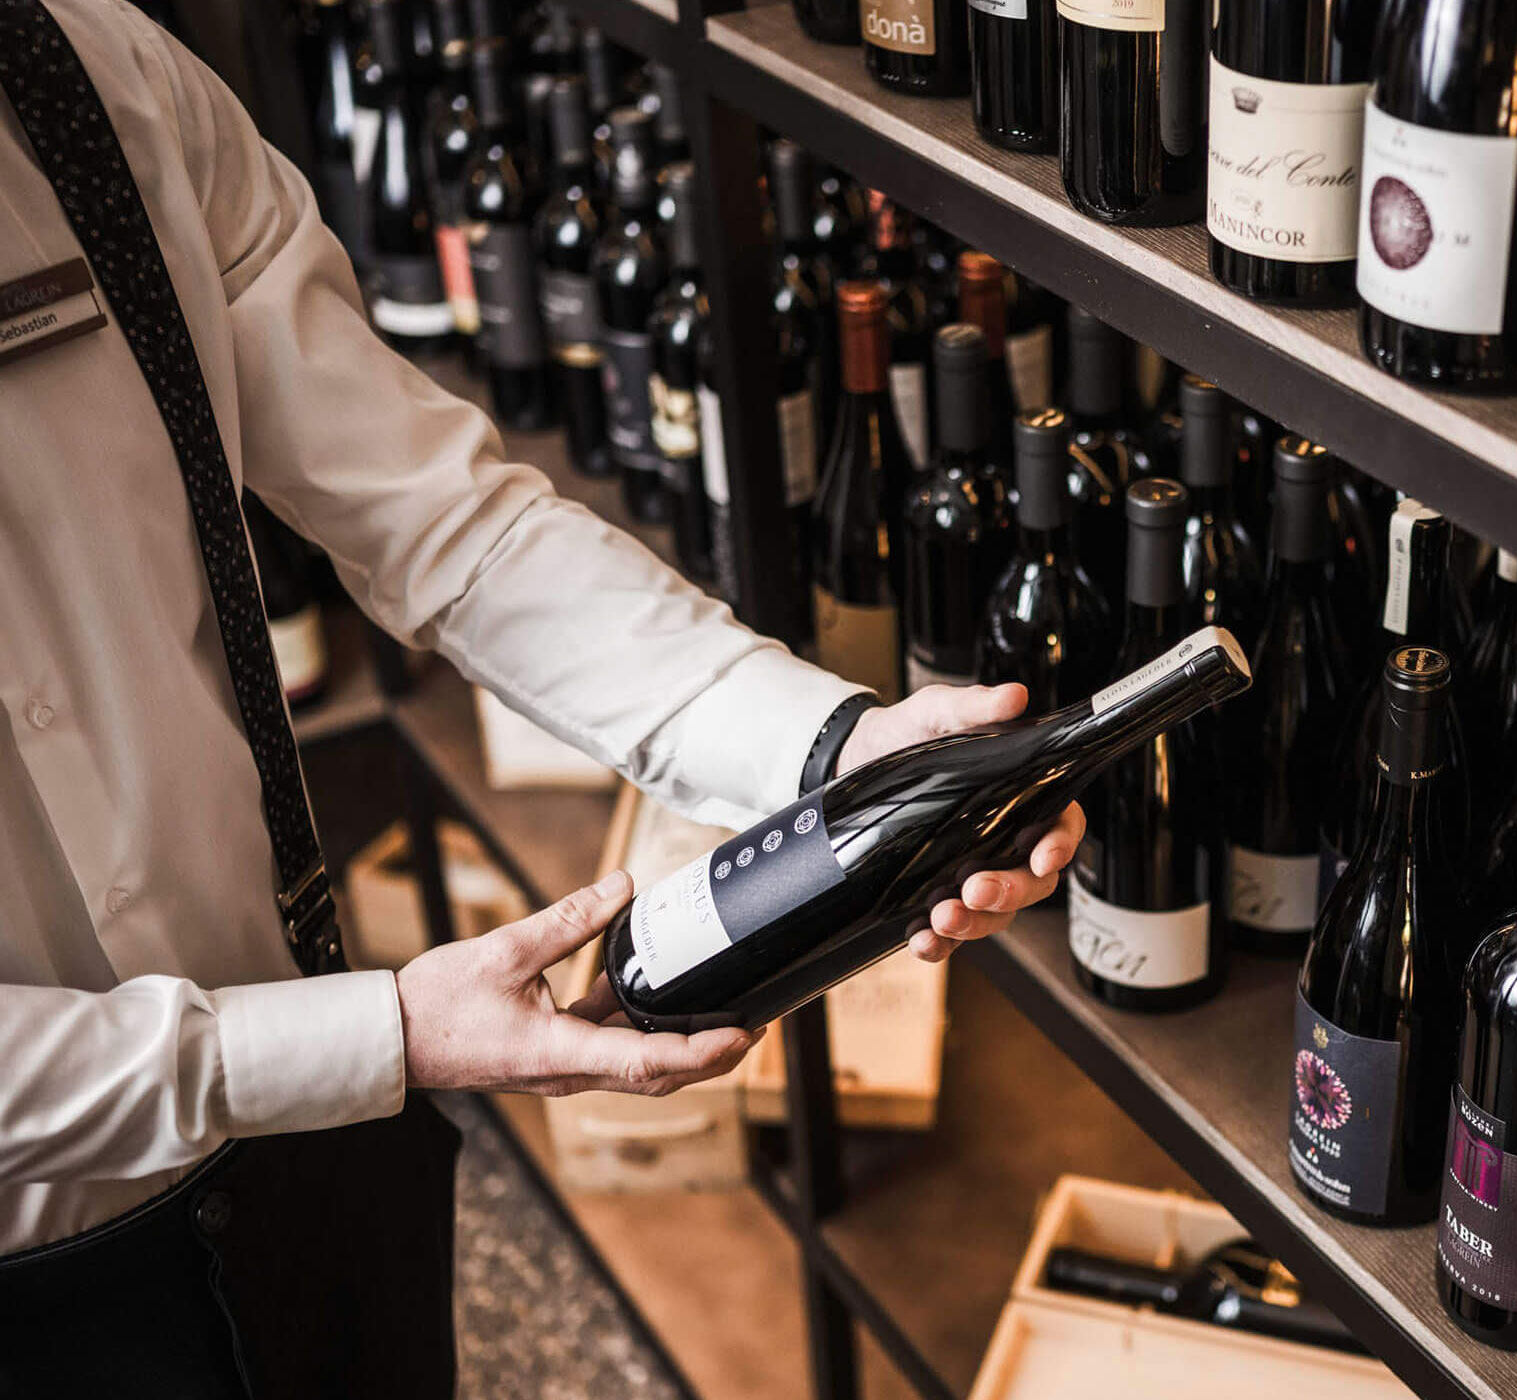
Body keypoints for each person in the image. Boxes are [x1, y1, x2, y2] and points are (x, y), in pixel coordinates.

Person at [0, 0, 1082, 1391]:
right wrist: (373, 1035)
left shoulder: (97, 83)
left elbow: (444, 520)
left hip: (298, 1161)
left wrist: (832, 744)